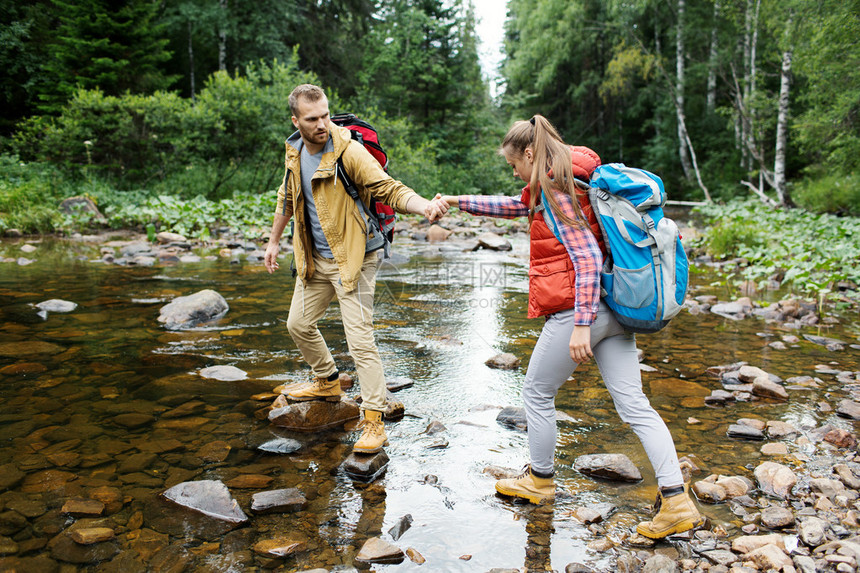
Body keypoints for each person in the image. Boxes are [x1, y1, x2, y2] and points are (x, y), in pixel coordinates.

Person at [429, 115, 703, 539]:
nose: (513, 172)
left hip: (584, 311)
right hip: (618, 309)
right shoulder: (575, 181)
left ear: (530, 153)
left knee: (536, 393)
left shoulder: (558, 193)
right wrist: (459, 200)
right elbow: (514, 204)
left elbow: (588, 260)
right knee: (634, 406)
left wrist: (580, 325)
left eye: (513, 164)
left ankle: (539, 481)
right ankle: (676, 501)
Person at [264, 84, 444, 455]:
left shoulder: (350, 151)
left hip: (357, 257)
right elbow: (286, 196)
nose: (322, 124)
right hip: (316, 257)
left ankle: (374, 421)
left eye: (326, 115)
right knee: (298, 324)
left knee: (359, 339)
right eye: (312, 119)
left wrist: (424, 205)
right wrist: (272, 241)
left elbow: (390, 189)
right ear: (295, 121)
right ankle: (328, 381)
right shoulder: (294, 151)